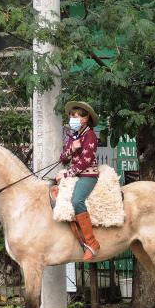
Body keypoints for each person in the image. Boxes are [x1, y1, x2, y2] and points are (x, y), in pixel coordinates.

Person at [55, 100, 101, 261]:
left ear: (85, 118)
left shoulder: (90, 136)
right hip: (75, 174)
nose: (72, 119)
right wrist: (72, 148)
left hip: (88, 176)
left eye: (75, 117)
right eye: (71, 116)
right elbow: (63, 158)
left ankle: (91, 242)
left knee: (77, 201)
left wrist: (67, 174)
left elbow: (86, 161)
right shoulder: (74, 135)